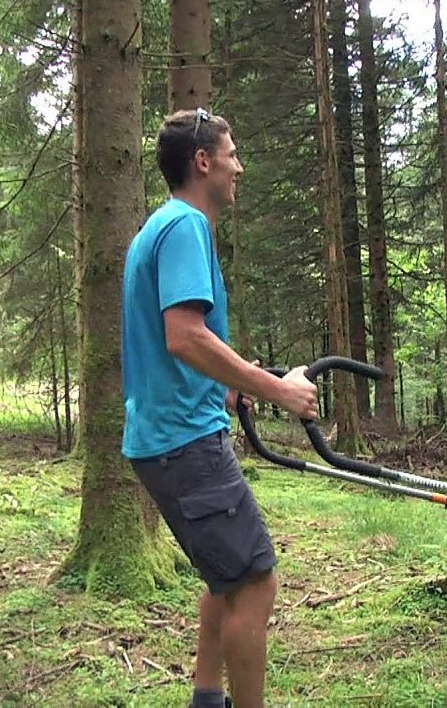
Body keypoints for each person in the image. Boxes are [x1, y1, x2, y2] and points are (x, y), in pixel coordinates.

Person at [121, 108, 319, 708]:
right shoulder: (184, 227)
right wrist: (274, 388)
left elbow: (178, 342)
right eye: (231, 153)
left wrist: (226, 386)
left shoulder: (163, 225)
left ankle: (208, 698)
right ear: (202, 161)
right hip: (183, 444)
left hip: (170, 435)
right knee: (256, 583)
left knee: (225, 577)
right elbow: (184, 335)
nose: (239, 165)